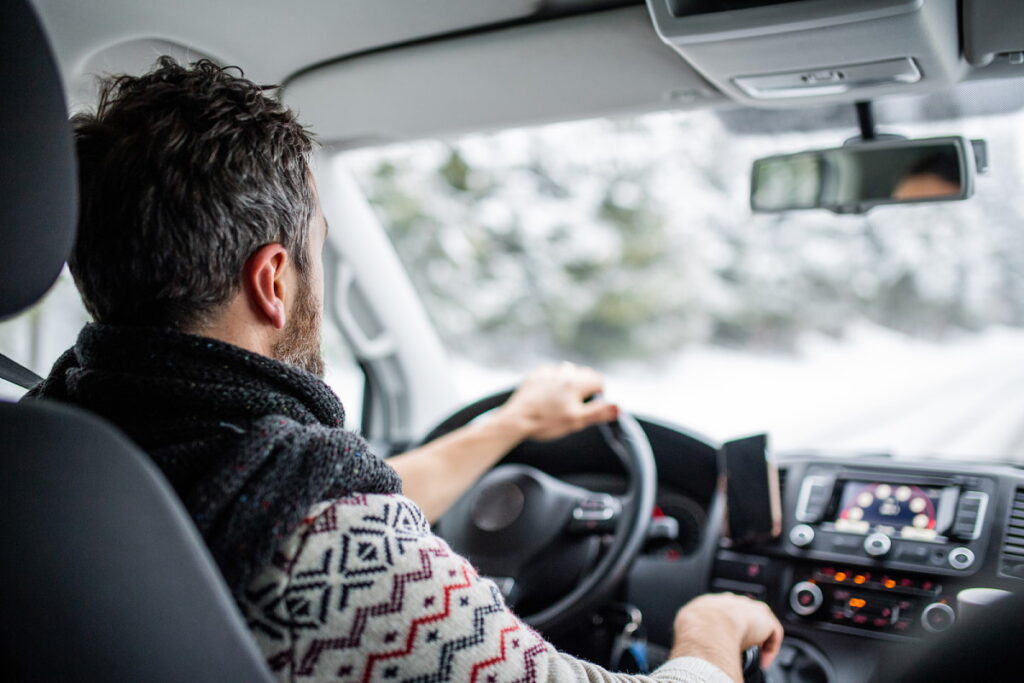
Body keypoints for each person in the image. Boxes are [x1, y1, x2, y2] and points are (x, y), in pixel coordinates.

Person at [28, 57, 782, 682]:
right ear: (274, 279)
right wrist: (709, 627)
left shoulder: (57, 447)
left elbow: (304, 496)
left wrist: (513, 424)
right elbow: (340, 530)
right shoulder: (334, 558)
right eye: (318, 253)